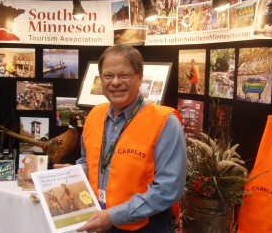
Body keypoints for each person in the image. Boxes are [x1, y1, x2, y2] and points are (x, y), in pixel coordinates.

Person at [54, 44, 187, 233]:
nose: (115, 82)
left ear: (140, 77)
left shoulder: (165, 122)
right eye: (108, 76)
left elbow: (169, 189)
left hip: (147, 227)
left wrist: (114, 216)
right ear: (101, 79)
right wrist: (75, 173)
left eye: (124, 75)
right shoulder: (94, 116)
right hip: (100, 221)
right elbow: (88, 161)